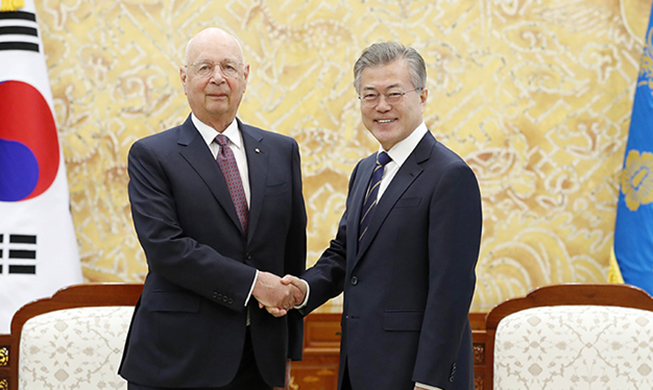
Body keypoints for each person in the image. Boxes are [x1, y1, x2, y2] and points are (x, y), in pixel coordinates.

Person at [278, 42, 483, 390]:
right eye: (370, 95)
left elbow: (452, 288)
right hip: (359, 368)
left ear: (422, 96)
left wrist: (430, 380)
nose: (382, 106)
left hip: (416, 375)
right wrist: (305, 289)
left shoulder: (450, 175)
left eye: (393, 93)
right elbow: (345, 256)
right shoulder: (365, 171)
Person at [118, 27, 307, 390]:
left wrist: (287, 351)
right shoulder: (152, 155)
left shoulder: (282, 151)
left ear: (245, 76)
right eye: (205, 67)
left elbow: (291, 251)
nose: (218, 78)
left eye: (229, 67)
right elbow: (166, 249)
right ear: (184, 77)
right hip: (176, 359)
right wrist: (254, 284)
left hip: (260, 359)